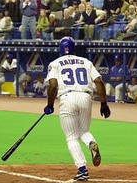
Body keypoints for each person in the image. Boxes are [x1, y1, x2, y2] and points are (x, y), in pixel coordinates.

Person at [44, 36, 111, 181]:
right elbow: (99, 81)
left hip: (67, 98)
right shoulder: (86, 62)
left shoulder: (55, 63)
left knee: (71, 136)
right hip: (86, 97)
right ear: (74, 48)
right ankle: (91, 142)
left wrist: (50, 105)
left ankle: (82, 169)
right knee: (83, 131)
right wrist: (104, 103)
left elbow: (53, 86)